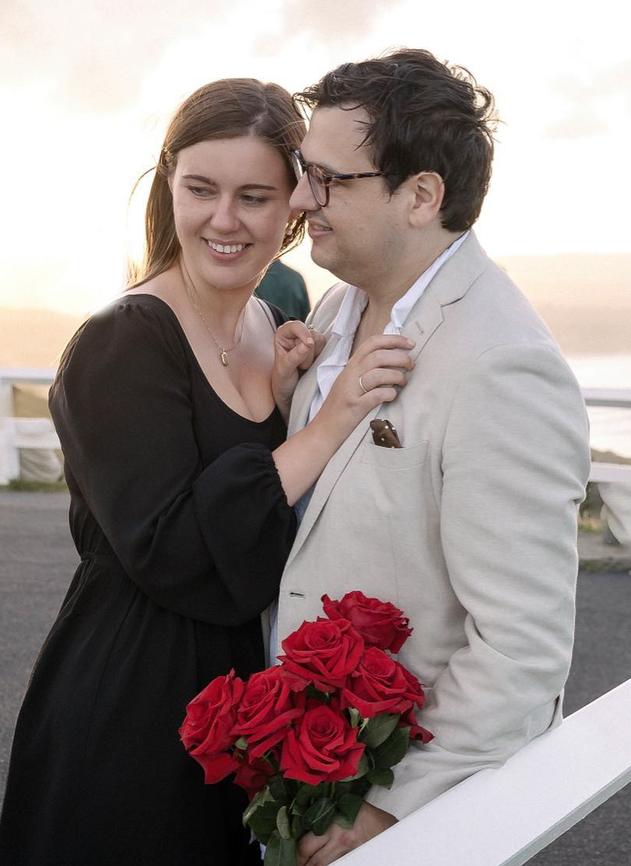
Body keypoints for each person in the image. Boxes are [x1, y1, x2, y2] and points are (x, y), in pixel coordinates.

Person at [0, 78, 413, 866]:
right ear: (169, 189)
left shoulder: (264, 323)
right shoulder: (121, 342)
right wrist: (328, 423)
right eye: (201, 190)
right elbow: (178, 546)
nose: (224, 220)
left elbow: (246, 487)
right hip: (131, 697)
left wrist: (286, 403)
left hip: (238, 696)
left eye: (254, 196)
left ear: (293, 203)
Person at [273, 49, 592, 865]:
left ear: (421, 196)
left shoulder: (502, 364)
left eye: (330, 180)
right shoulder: (337, 306)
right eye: (305, 172)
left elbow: (520, 648)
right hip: (298, 766)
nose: (303, 198)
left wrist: (386, 812)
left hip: (400, 812)